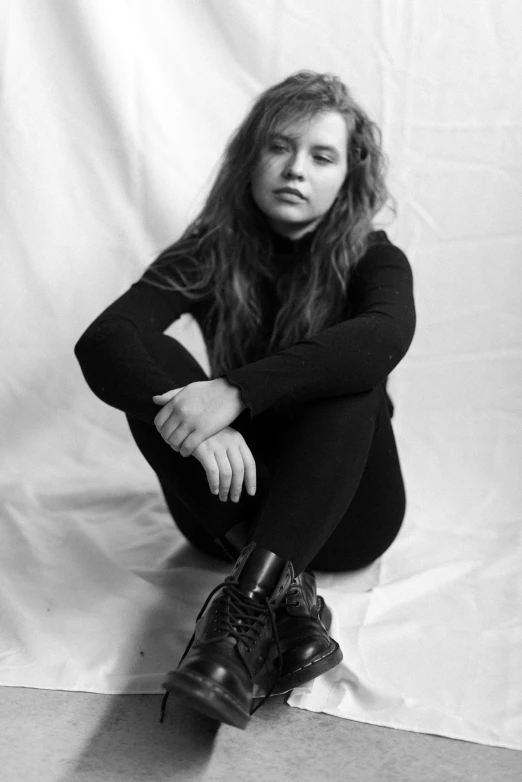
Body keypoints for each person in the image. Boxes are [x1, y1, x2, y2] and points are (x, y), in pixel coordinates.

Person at [74, 70, 416, 730]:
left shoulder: (374, 257)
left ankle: (241, 607)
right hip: (228, 502)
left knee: (352, 365)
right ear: (250, 157)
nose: (295, 170)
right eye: (279, 147)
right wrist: (198, 419)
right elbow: (106, 338)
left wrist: (233, 391)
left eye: (321, 156)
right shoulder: (211, 251)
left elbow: (385, 339)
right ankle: (276, 601)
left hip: (348, 517)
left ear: (348, 176)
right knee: (157, 366)